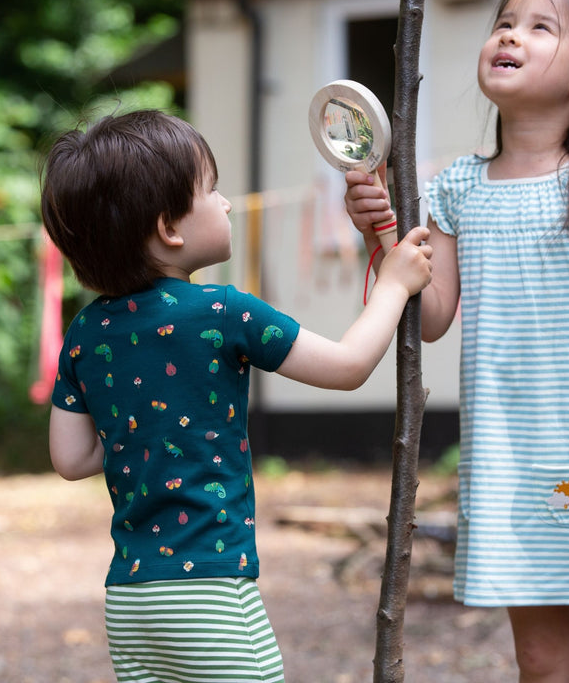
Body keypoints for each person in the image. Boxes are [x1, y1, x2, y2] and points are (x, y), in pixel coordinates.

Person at [344, 0, 569, 682]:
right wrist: (383, 234)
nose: (509, 33)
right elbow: (433, 317)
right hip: (508, 458)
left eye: (539, 27)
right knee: (539, 657)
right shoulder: (458, 189)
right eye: (505, 21)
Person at [41, 109, 432, 683]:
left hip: (130, 601)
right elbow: (348, 367)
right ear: (169, 228)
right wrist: (395, 284)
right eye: (213, 190)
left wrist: (150, 427)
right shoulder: (224, 312)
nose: (225, 203)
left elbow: (70, 459)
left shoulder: (85, 334)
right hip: (211, 592)